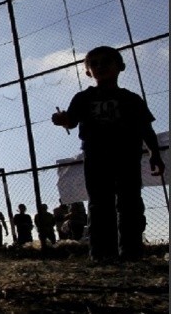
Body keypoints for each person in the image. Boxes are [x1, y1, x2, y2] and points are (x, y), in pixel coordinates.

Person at [52, 46, 165, 261]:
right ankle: (102, 253)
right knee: (99, 203)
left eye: (106, 61)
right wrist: (62, 120)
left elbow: (145, 129)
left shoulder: (131, 99)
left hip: (127, 156)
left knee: (130, 202)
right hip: (95, 157)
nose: (100, 66)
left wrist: (154, 154)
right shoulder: (83, 98)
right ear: (88, 72)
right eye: (94, 64)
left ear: (120, 67)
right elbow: (72, 121)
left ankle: (131, 252)